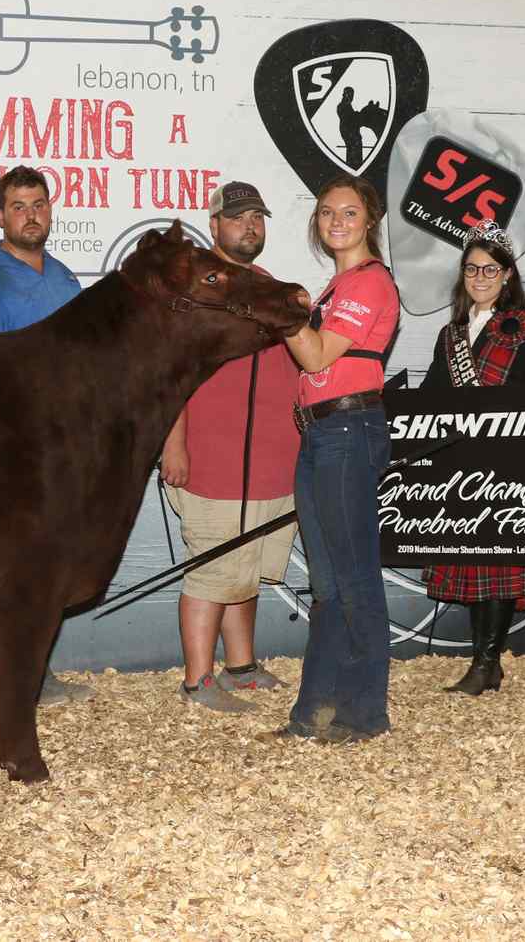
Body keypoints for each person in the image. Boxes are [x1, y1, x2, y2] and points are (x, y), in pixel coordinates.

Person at [0, 165, 94, 706]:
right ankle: (11, 681)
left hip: (61, 446)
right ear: (0, 216)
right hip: (13, 451)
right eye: (18, 207)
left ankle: (34, 674)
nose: (30, 216)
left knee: (43, 566)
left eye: (38, 205)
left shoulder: (63, 277)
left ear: (50, 210)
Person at [160, 182, 301, 713]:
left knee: (246, 568)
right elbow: (168, 375)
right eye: (238, 217)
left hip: (269, 461)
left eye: (257, 218)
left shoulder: (273, 288)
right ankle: (197, 681)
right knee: (213, 569)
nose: (249, 226)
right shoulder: (191, 291)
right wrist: (173, 443)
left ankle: (240, 666)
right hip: (213, 459)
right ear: (214, 224)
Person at [275, 173, 399, 743]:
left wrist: (283, 313)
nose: (337, 221)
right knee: (327, 584)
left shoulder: (369, 282)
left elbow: (317, 354)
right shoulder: (336, 286)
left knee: (354, 578)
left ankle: (365, 712)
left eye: (349, 212)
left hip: (348, 429)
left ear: (369, 219)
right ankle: (314, 709)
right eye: (327, 212)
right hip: (321, 432)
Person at [418, 220, 525, 695]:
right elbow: (431, 395)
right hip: (458, 463)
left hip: (504, 462)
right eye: (472, 268)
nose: (480, 277)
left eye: (490, 269)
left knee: (496, 565)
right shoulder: (450, 334)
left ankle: (486, 662)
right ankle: (486, 665)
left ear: (508, 275)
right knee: (473, 563)